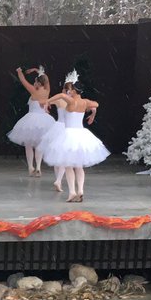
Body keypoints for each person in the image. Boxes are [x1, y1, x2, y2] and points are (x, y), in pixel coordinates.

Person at [40, 71, 108, 202]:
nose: (69, 92)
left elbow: (60, 95)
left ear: (75, 91)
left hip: (69, 135)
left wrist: (47, 101)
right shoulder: (85, 102)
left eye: (71, 90)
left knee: (68, 165)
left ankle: (72, 192)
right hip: (81, 134)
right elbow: (96, 104)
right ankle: (80, 190)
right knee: (79, 166)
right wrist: (93, 110)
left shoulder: (71, 101)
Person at [6, 66, 56, 176]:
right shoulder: (47, 90)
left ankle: (30, 167)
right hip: (44, 120)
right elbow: (46, 78)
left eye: (35, 81)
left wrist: (19, 71)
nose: (34, 83)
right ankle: (38, 167)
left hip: (32, 119)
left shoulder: (33, 91)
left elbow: (23, 81)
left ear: (39, 83)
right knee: (39, 144)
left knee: (28, 145)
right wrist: (36, 71)